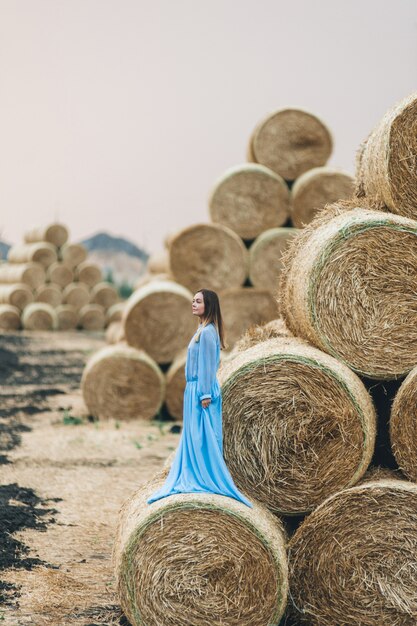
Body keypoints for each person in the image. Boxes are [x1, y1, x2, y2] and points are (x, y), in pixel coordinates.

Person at [147, 288, 252, 508]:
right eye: (192, 301)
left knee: (201, 436)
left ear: (209, 305)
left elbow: (207, 366)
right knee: (195, 435)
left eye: (198, 301)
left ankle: (202, 476)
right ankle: (197, 473)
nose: (193, 304)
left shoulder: (206, 333)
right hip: (194, 389)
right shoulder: (203, 330)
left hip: (201, 391)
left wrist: (204, 393)